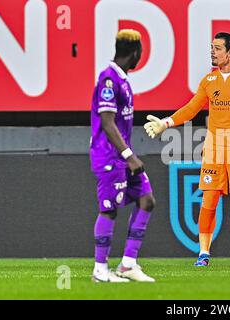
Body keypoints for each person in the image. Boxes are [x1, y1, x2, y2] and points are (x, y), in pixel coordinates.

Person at [144, 32, 230, 267]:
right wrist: (166, 123)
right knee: (209, 200)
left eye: (217, 48)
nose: (212, 52)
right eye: (211, 47)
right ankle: (203, 253)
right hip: (214, 147)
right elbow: (191, 108)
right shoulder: (209, 81)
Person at [90, 29, 156, 282]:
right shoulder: (109, 79)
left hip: (123, 156)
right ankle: (100, 270)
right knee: (109, 209)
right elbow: (107, 122)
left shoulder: (123, 79)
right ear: (136, 52)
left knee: (147, 200)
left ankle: (128, 264)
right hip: (109, 156)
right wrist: (129, 156)